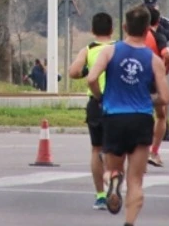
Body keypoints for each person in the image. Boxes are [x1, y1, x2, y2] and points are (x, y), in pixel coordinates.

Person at [86, 6, 169, 226]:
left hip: (114, 117)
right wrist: (145, 98)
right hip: (141, 120)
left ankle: (113, 182)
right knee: (136, 180)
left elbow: (91, 78)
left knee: (112, 168)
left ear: (124, 27)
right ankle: (129, 223)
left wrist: (101, 97)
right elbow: (165, 97)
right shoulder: (154, 60)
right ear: (147, 30)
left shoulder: (109, 51)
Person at [69, 12, 116, 210]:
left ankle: (100, 195)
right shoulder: (117, 49)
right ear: (112, 30)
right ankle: (113, 183)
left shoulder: (88, 50)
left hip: (96, 102)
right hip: (117, 103)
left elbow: (73, 72)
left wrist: (89, 70)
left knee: (96, 148)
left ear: (92, 31)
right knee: (115, 150)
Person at [145, 6, 169, 166]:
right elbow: (168, 56)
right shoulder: (158, 36)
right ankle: (154, 151)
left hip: (135, 78)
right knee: (161, 115)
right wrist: (164, 71)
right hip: (153, 79)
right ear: (158, 21)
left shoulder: (134, 36)